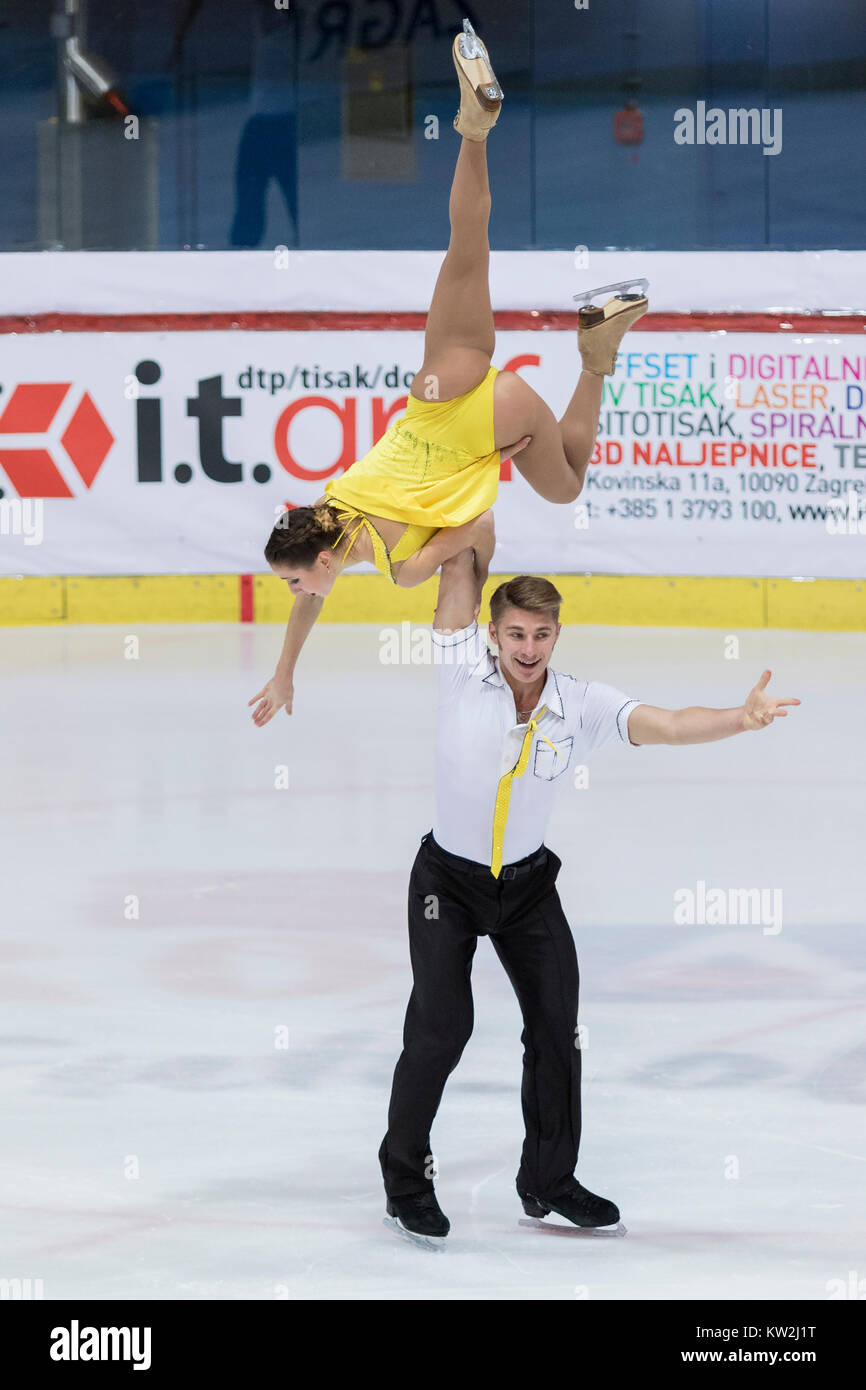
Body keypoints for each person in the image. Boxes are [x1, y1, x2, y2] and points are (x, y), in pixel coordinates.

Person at [379, 549, 800, 1245]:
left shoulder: (580, 704)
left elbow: (665, 723)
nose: (528, 648)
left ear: (556, 636)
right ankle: (405, 1181)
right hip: (446, 887)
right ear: (493, 633)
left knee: (556, 1031)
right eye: (516, 634)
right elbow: (463, 559)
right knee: (441, 1028)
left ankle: (548, 1180)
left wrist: (739, 717)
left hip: (527, 888)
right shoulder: (459, 668)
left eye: (541, 635)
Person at [250, 20, 648, 727]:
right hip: (439, 385)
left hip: (498, 417)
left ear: (319, 561)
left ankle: (596, 347)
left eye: (292, 580)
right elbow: (315, 590)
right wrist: (282, 673)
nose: (295, 592)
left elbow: (475, 526)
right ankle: (473, 127)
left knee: (566, 486)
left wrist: (492, 457)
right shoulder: (334, 500)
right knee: (469, 243)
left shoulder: (398, 564)